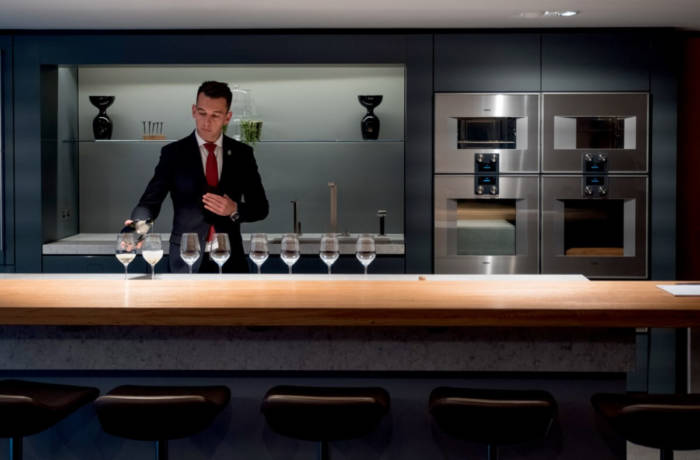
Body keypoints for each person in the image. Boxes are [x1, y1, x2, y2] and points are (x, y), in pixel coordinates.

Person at [125, 81, 269, 273]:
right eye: (202, 113)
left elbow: (260, 207)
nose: (206, 122)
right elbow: (150, 202)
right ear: (194, 111)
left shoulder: (242, 154)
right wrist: (137, 227)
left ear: (227, 117)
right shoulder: (173, 153)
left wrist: (234, 209)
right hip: (185, 259)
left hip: (230, 260)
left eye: (215, 115)